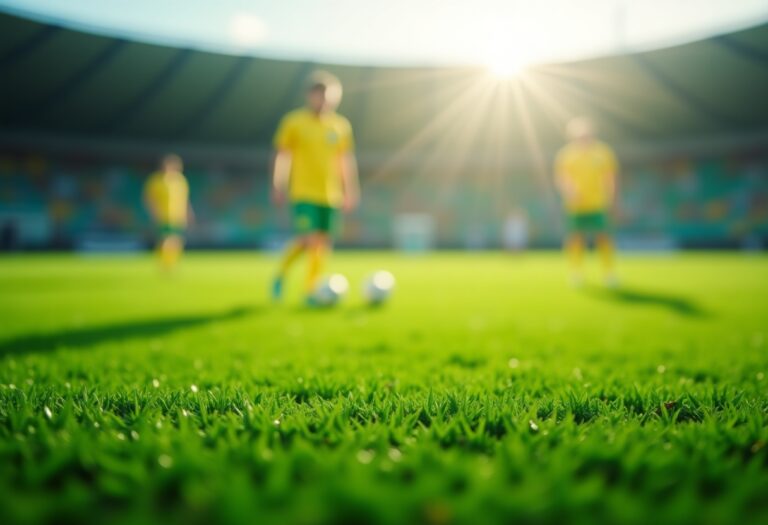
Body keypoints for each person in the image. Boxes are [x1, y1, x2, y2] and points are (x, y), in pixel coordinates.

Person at [270, 71, 359, 304]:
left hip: (330, 195)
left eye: (330, 96)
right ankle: (281, 273)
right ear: (310, 96)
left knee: (322, 243)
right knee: (309, 240)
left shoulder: (340, 126)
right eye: (320, 95)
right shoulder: (294, 122)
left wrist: (351, 189)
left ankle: (311, 290)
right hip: (304, 192)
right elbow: (283, 155)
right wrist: (278, 183)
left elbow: (345, 161)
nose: (325, 101)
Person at [554, 117, 619, 286]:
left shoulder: (604, 152)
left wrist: (611, 198)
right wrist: (570, 191)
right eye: (579, 136)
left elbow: (610, 178)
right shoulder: (566, 155)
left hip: (598, 204)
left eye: (586, 135)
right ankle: (576, 272)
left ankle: (609, 273)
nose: (583, 138)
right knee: (575, 239)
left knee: (603, 237)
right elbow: (562, 178)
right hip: (575, 206)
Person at [143, 154, 193, 271]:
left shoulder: (180, 180)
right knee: (166, 239)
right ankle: (164, 264)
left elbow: (184, 199)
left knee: (177, 240)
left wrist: (188, 213)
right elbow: (149, 198)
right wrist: (155, 212)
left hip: (177, 216)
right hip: (164, 216)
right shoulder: (156, 180)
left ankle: (172, 263)